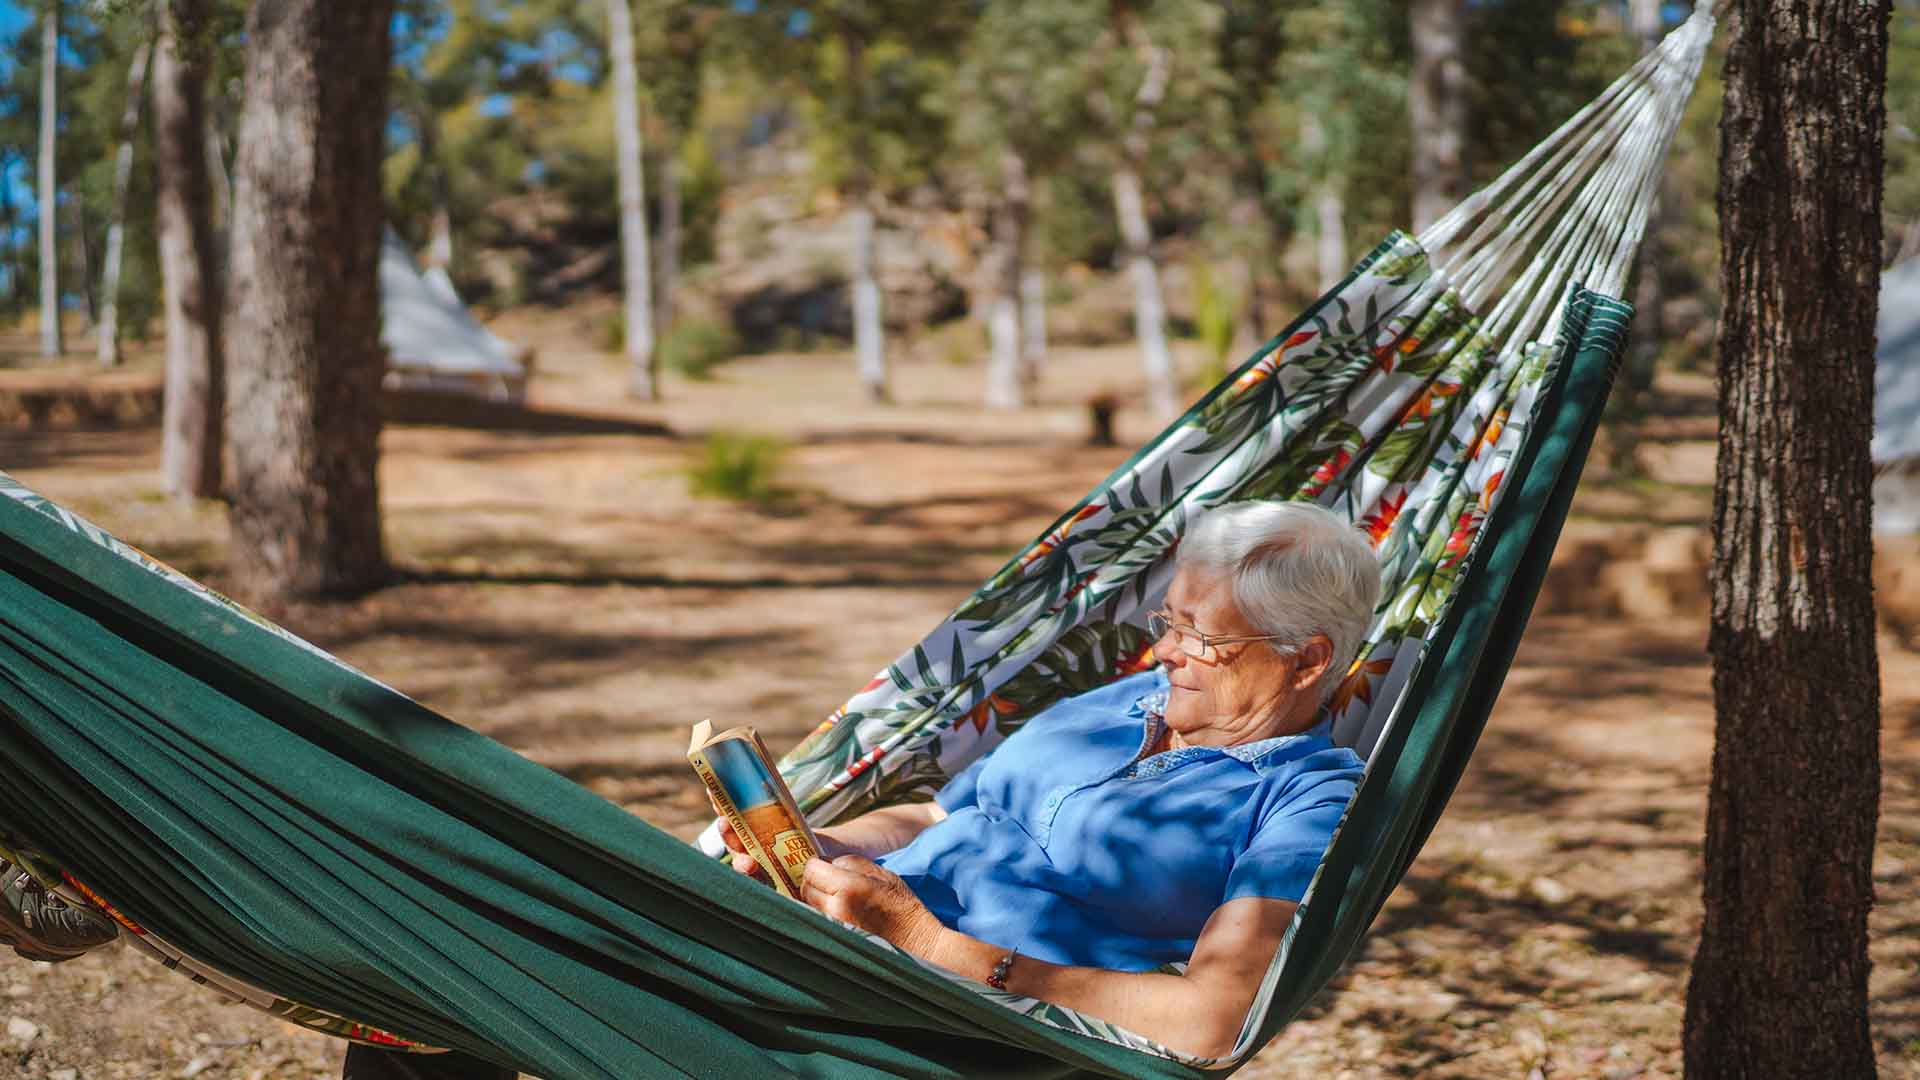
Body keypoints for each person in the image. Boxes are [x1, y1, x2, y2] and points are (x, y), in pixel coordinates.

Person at [718, 499, 1381, 1060]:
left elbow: (1210, 1021)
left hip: (934, 1024)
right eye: (1169, 621)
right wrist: (809, 851)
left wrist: (924, 939)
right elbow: (934, 819)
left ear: (1306, 661)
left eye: (1200, 636)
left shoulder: (1309, 798)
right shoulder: (1127, 700)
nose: (1163, 651)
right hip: (836, 942)